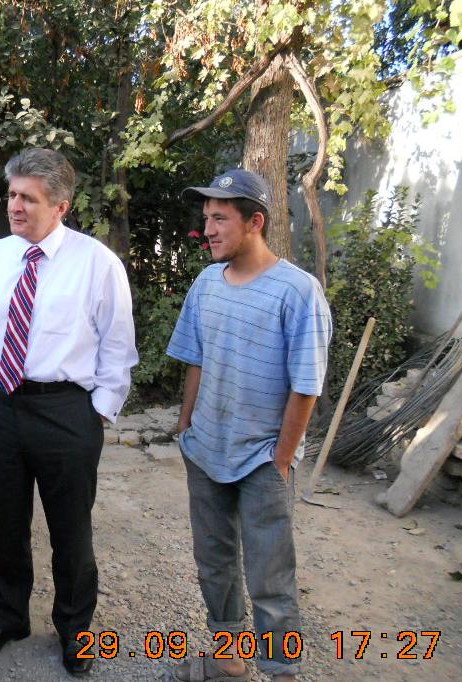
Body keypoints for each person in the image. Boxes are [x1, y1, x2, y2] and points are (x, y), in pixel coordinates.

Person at [0, 148, 137, 675]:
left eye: (28, 198)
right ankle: (9, 617)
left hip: (64, 413)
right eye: (12, 195)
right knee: (5, 525)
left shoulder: (96, 263)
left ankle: (75, 629)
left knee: (70, 530)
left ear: (61, 206)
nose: (15, 206)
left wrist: (96, 414)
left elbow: (118, 345)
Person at [166, 169, 332, 682]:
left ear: (255, 222)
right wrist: (186, 426)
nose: (208, 229)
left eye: (220, 218)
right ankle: (229, 657)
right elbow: (195, 358)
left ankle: (281, 670)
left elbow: (306, 385)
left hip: (262, 457)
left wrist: (281, 458)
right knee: (214, 563)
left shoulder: (297, 291)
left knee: (270, 572)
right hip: (205, 449)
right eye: (206, 218)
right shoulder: (206, 283)